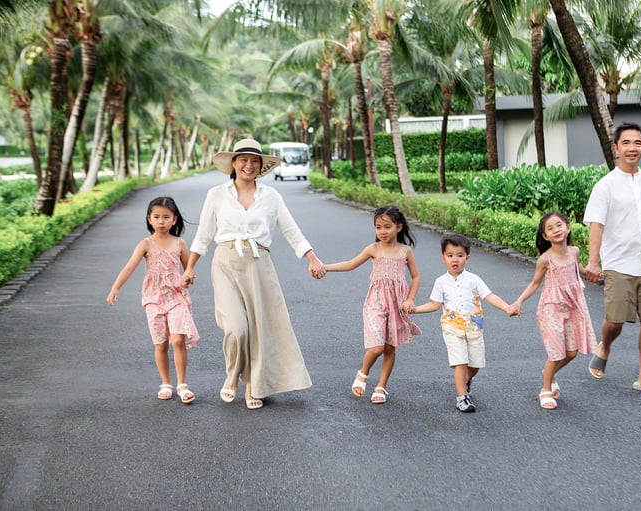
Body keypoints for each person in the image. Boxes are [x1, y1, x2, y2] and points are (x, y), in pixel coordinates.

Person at [181, 138, 325, 410]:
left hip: (260, 265)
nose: (249, 165)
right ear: (233, 163)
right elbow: (204, 236)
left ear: (261, 166)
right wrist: (189, 268)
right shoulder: (216, 194)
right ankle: (233, 376)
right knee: (237, 328)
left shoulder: (271, 196)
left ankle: (252, 387)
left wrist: (312, 258)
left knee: (260, 331)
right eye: (243, 160)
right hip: (225, 263)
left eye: (254, 161)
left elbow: (291, 230)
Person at [582, 122, 641, 397]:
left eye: (637, 143)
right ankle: (605, 345)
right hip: (618, 264)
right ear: (616, 148)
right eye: (626, 143)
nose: (632, 148)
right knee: (615, 322)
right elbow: (597, 225)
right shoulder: (605, 186)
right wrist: (593, 261)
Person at [322, 205, 420, 404]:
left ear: (399, 227)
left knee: (390, 347)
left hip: (397, 305)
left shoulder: (405, 251)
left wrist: (410, 298)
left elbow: (416, 277)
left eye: (387, 227)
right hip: (375, 303)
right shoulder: (373, 249)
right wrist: (325, 268)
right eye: (378, 227)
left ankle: (381, 386)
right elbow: (350, 264)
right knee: (377, 347)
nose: (382, 232)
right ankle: (363, 374)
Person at [107, 196, 200, 404]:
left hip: (177, 296)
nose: (161, 221)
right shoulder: (146, 244)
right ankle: (166, 383)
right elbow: (130, 266)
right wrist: (116, 287)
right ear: (149, 219)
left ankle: (182, 385)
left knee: (178, 339)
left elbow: (188, 268)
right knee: (161, 343)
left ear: (174, 220)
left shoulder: (180, 243)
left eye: (166, 217)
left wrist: (189, 276)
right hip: (153, 298)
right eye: (156, 217)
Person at [409, 233, 514, 413]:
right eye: (450, 255)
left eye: (459, 255)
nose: (454, 259)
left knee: (475, 365)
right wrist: (416, 309)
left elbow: (489, 296)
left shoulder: (474, 279)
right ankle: (462, 398)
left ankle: (466, 381)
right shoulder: (441, 282)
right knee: (460, 362)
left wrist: (507, 307)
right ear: (443, 258)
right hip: (452, 328)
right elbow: (435, 304)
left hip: (474, 328)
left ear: (467, 258)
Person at [509, 212, 598, 409]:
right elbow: (534, 283)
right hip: (552, 309)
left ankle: (548, 373)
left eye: (559, 225)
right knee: (556, 352)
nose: (556, 230)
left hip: (573, 306)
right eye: (550, 228)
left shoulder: (574, 252)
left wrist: (595, 271)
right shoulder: (545, 259)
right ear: (545, 236)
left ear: (568, 227)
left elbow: (579, 269)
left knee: (572, 352)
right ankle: (545, 389)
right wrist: (518, 301)